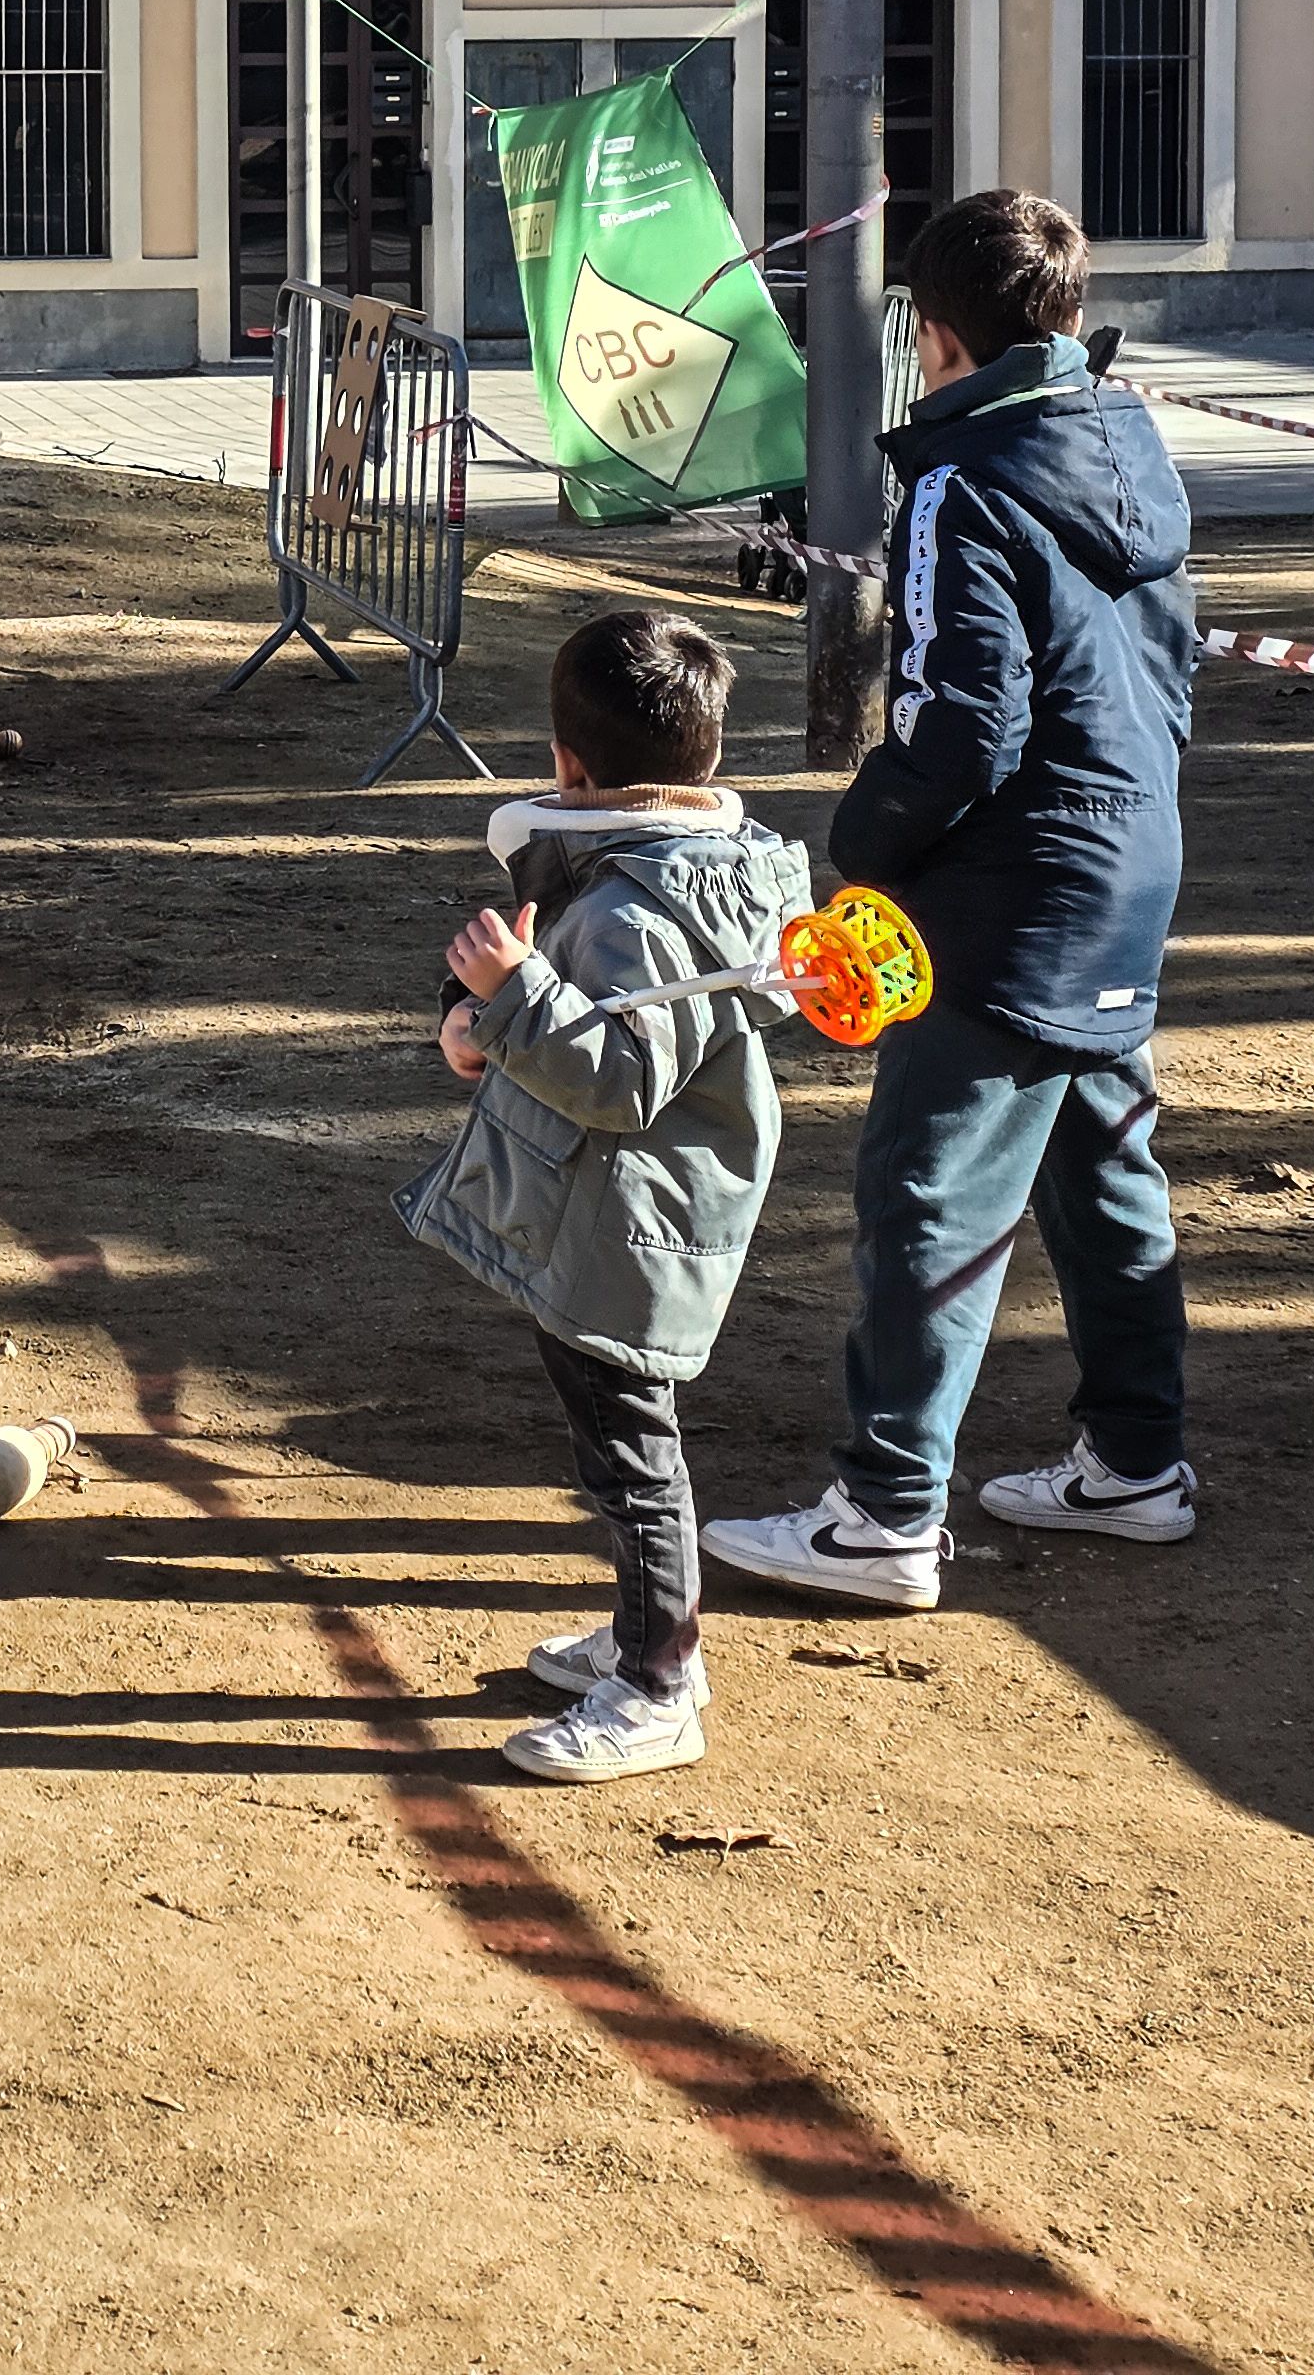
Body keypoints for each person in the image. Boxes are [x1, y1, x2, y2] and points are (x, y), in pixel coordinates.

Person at [704, 189, 1200, 1615]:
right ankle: (1135, 1463)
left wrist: (867, 842)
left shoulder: (963, 479)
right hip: (1130, 859)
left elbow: (960, 716)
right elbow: (1171, 674)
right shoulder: (1132, 444)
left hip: (1009, 884)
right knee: (1104, 1171)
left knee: (928, 1186)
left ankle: (883, 1512)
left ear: (932, 333)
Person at [398, 608, 809, 1785]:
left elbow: (620, 1080)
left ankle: (660, 1682)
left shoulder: (641, 912)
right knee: (617, 1448)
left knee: (632, 1455)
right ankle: (641, 1637)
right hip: (614, 1208)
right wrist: (475, 1019)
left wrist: (516, 989)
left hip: (629, 1221)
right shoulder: (677, 879)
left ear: (570, 764)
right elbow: (565, 1026)